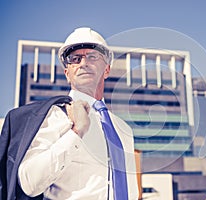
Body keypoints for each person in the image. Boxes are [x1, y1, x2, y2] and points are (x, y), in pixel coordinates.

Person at [0, 27, 139, 200]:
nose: (83, 63)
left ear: (107, 70)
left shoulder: (124, 129)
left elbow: (131, 189)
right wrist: (76, 133)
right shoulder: (52, 116)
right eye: (75, 58)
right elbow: (29, 183)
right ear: (67, 73)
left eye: (92, 56)